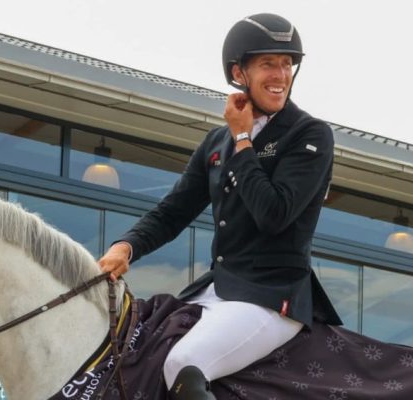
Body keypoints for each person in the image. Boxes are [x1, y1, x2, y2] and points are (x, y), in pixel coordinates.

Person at [98, 13, 343, 400]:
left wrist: (243, 138)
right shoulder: (217, 142)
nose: (281, 75)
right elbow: (173, 210)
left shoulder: (310, 134)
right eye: (268, 64)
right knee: (138, 350)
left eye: (287, 64)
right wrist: (126, 247)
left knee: (184, 362)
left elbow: (275, 213)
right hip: (219, 288)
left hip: (272, 298)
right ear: (238, 71)